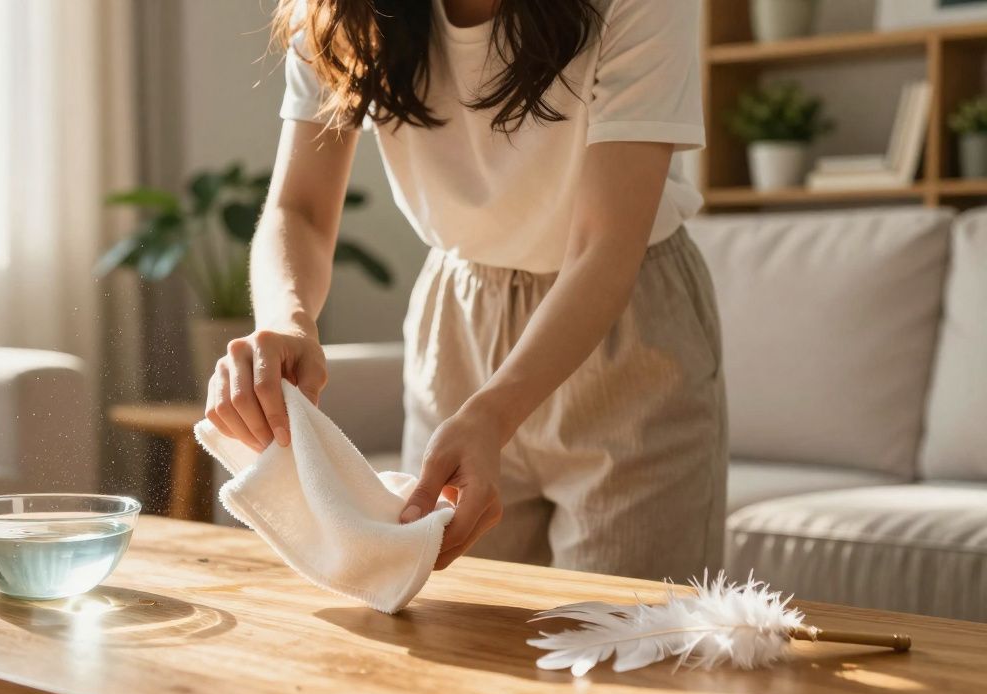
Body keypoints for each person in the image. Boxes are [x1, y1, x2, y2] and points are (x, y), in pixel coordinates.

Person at [203, 0, 726, 582]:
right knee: (452, 635)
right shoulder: (339, 12)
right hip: (458, 319)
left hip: (626, 328)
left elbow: (604, 246)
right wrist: (287, 320)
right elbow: (298, 208)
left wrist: (496, 413)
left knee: (628, 643)